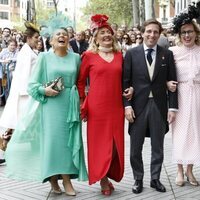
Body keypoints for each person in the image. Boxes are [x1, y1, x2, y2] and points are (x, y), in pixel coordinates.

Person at [5, 27, 88, 195]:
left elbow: (80, 82)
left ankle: (66, 180)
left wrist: (81, 102)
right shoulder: (44, 57)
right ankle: (53, 179)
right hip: (51, 106)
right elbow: (32, 85)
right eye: (58, 34)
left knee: (68, 143)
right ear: (51, 41)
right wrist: (45, 91)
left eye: (65, 34)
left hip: (70, 105)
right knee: (53, 143)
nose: (62, 36)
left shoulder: (76, 58)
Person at [77, 14, 132, 196]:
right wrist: (82, 102)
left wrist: (129, 92)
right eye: (102, 33)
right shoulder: (89, 56)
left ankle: (109, 174)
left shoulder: (119, 55)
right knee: (99, 144)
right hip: (97, 107)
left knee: (115, 144)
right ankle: (102, 179)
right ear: (95, 37)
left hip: (116, 106)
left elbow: (126, 79)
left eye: (108, 32)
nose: (106, 35)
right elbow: (80, 81)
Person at [123, 19, 178, 194]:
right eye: (148, 31)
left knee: (158, 146)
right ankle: (138, 179)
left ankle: (155, 179)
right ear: (142, 32)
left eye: (155, 32)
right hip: (138, 106)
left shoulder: (166, 54)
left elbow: (173, 82)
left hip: (159, 106)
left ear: (159, 34)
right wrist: (127, 106)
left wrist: (172, 107)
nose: (152, 35)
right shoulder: (131, 54)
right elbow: (125, 82)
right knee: (135, 147)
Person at [167, 5, 200, 187]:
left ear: (196, 33)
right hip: (179, 97)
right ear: (179, 35)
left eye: (190, 32)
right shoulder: (173, 53)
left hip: (197, 96)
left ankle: (190, 170)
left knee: (195, 134)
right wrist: (166, 84)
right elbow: (164, 75)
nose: (187, 36)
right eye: (183, 32)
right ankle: (179, 170)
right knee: (179, 133)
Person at [0, 22, 40, 150]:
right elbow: (24, 73)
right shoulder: (26, 52)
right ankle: (5, 139)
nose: (37, 40)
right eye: (35, 38)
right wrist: (26, 91)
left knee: (22, 119)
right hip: (25, 91)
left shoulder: (29, 50)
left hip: (27, 89)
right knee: (21, 119)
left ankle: (7, 139)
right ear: (28, 38)